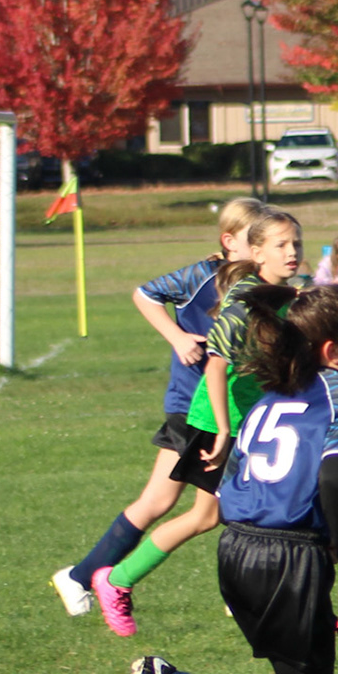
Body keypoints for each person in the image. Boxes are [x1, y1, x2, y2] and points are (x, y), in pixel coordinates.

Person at [114, 283, 338, 674]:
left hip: (237, 547)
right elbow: (334, 478)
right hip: (287, 558)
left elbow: (247, 476)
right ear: (332, 351)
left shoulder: (270, 395)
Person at [91, 211, 304, 636]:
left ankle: (284, 605)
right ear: (256, 252)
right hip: (220, 421)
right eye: (281, 244)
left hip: (253, 419)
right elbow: (215, 367)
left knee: (268, 511)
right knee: (211, 516)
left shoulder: (286, 294)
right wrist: (222, 430)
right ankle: (116, 580)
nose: (292, 251)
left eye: (296, 243)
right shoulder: (245, 300)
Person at [53, 198, 267, 619]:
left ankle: (83, 576)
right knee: (206, 507)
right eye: (255, 238)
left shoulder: (259, 285)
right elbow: (145, 293)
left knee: (185, 505)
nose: (264, 247)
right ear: (229, 241)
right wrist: (177, 337)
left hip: (222, 409)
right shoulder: (201, 276)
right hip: (196, 409)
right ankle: (94, 578)